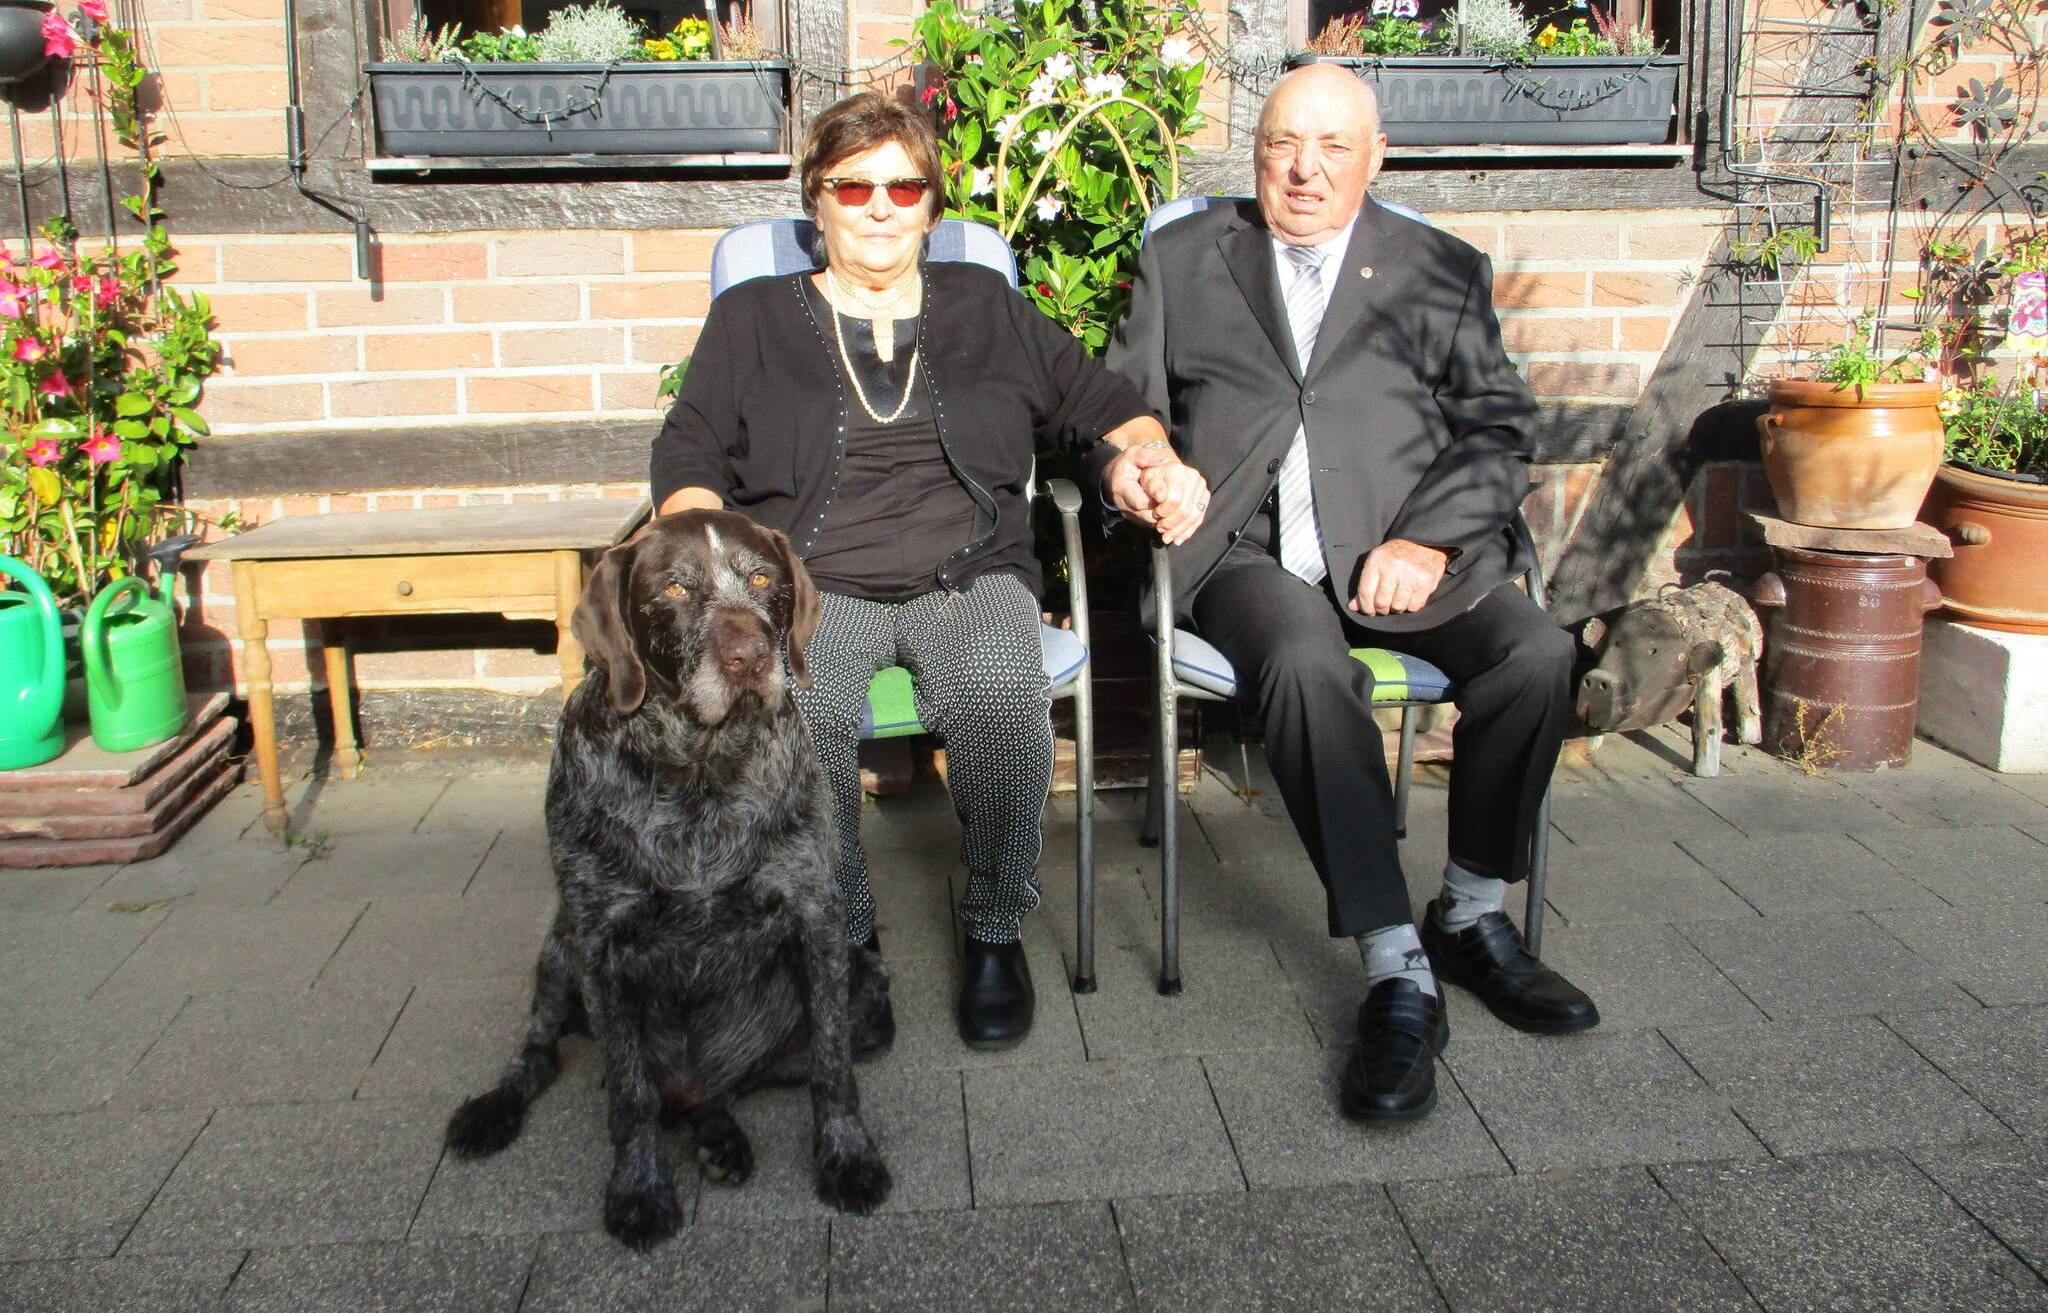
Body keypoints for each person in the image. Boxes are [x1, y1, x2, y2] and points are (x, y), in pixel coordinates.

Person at [1092, 64, 1599, 1123]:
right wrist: (1135, 469)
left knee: (1536, 655)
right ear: (1255, 155)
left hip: (1405, 544)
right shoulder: (1183, 259)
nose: (1304, 168)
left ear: (1375, 159)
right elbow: (1116, 409)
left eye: (1330, 146)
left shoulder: (1437, 269)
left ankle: (1467, 910)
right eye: (1281, 143)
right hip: (1243, 550)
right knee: (1305, 660)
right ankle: (1394, 962)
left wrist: (1425, 534)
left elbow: (1498, 427)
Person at [651, 92, 1201, 1051]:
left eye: (903, 185)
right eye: (851, 184)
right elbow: (687, 451)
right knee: (800, 710)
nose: (878, 205)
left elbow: (1100, 400)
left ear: (933, 208)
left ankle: (993, 926)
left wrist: (1150, 458)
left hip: (970, 569)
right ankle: (845, 936)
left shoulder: (985, 307)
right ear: (815, 204)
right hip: (815, 582)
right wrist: (704, 553)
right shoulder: (751, 319)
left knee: (997, 687)